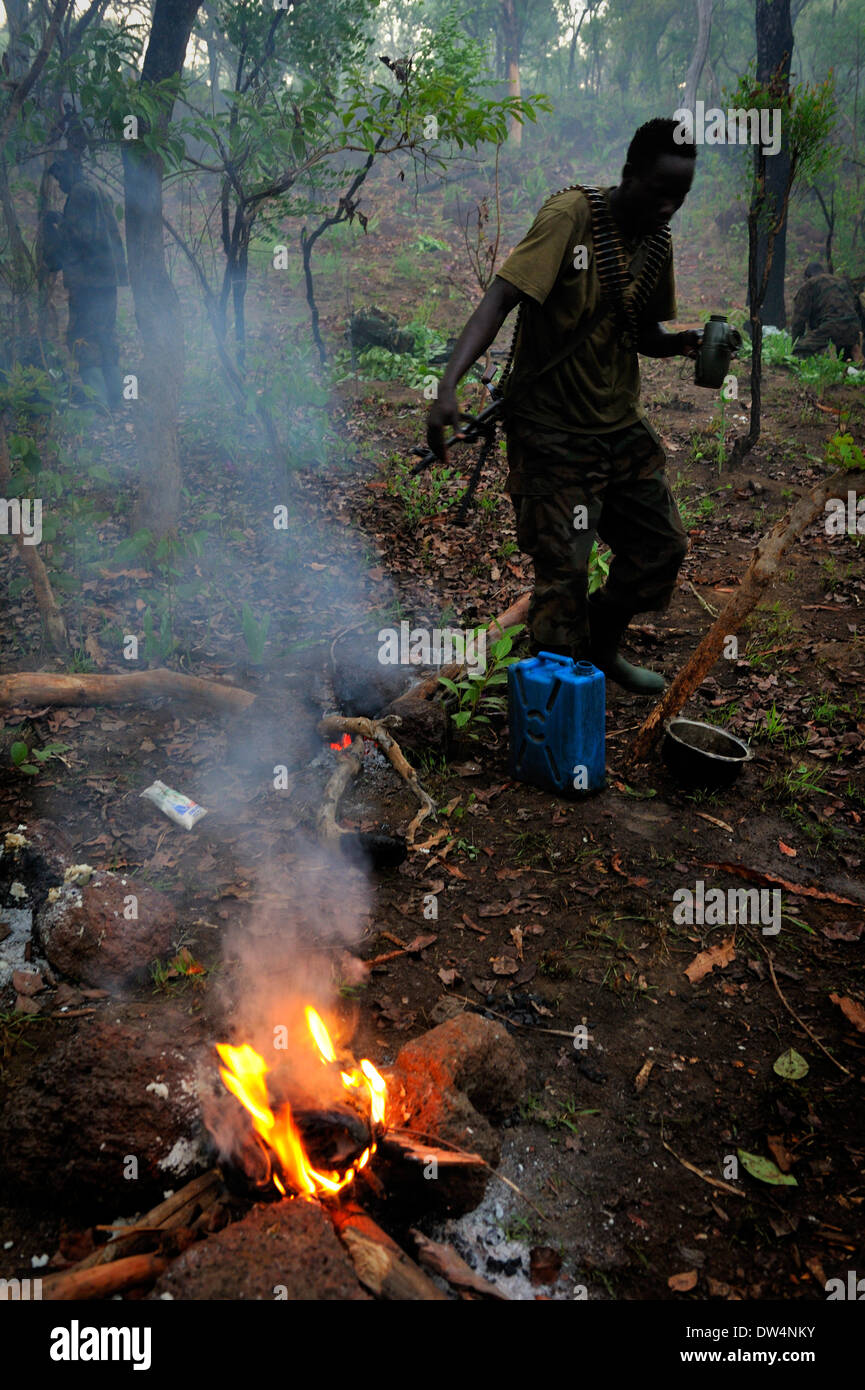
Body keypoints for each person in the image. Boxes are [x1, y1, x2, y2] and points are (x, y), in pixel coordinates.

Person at [427, 118, 700, 695]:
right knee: (561, 583)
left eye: (680, 197)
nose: (669, 207)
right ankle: (553, 716)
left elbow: (639, 328)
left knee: (661, 549)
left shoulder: (655, 243)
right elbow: (500, 296)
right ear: (629, 175)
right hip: (551, 432)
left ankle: (600, 647)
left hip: (618, 426)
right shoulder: (570, 217)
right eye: (660, 192)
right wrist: (447, 385)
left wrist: (680, 344)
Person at [42, 149, 128, 409]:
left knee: (82, 336)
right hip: (106, 279)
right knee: (105, 334)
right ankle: (117, 398)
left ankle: (98, 401)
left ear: (71, 170)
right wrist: (63, 220)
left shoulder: (79, 194)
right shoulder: (96, 189)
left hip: (88, 281)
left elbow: (80, 238)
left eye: (60, 177)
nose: (60, 184)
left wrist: (54, 231)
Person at [791, 262, 862, 361]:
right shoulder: (842, 282)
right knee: (845, 355)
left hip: (831, 329)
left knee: (800, 349)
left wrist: (796, 343)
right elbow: (859, 310)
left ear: (807, 277)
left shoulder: (810, 284)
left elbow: (799, 320)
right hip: (853, 330)